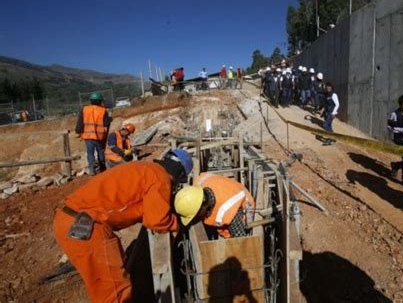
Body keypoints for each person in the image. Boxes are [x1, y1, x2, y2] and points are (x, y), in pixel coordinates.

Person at [53, 149, 193, 303]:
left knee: (102, 289)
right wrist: (176, 224)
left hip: (69, 221)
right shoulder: (161, 178)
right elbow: (157, 221)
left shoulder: (146, 169)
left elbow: (135, 205)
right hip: (87, 228)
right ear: (179, 175)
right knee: (115, 293)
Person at [174, 173, 255, 239]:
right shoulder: (199, 184)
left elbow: (240, 238)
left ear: (202, 208)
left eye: (195, 215)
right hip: (231, 190)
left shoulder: (229, 211)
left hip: (243, 206)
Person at [75, 92, 111, 175]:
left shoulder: (84, 109)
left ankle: (92, 169)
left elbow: (80, 122)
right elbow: (106, 123)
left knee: (90, 153)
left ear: (91, 100)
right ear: (99, 101)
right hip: (99, 136)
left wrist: (78, 131)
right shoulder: (103, 111)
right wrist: (109, 119)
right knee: (100, 151)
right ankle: (102, 167)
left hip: (88, 136)